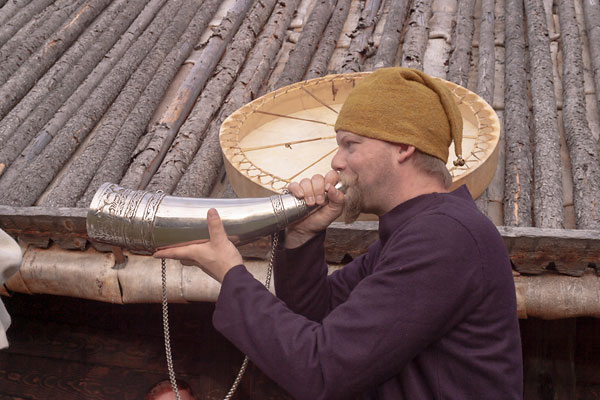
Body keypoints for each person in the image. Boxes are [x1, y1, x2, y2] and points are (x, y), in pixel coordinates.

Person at [154, 67, 523, 399]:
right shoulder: (410, 235)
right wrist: (302, 239)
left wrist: (230, 273)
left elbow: (322, 369)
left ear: (404, 146)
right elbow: (317, 318)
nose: (336, 161)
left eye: (351, 144)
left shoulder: (444, 237)